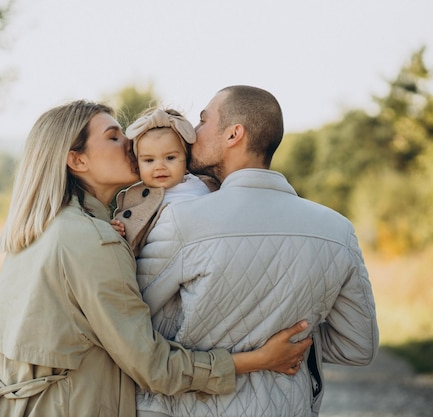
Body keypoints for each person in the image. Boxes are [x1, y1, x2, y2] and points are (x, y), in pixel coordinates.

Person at [0, 100, 313, 417]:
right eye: (114, 136)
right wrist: (258, 360)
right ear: (78, 160)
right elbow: (152, 366)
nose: (131, 142)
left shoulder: (44, 228)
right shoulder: (91, 240)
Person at [135, 86, 379, 417]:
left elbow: (136, 325)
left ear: (234, 134)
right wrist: (284, 346)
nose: (192, 134)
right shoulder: (337, 231)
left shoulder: (180, 221)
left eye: (204, 121)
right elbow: (357, 347)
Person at [111, 108, 218, 256]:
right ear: (138, 163)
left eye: (170, 158)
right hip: (156, 264)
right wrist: (116, 232)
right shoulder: (132, 197)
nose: (160, 167)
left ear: (185, 158)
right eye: (149, 160)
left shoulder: (207, 185)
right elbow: (125, 237)